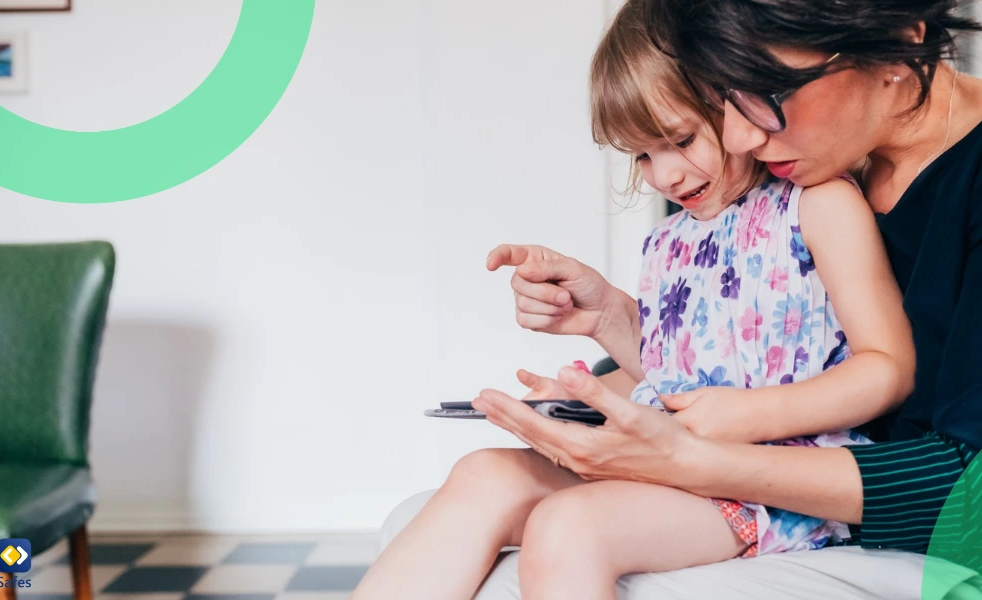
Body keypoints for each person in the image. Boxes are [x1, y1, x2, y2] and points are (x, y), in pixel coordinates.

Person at [462, 1, 982, 599]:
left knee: (536, 560)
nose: (739, 137)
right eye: (722, 100)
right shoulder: (828, 165)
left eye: (766, 93)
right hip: (816, 517)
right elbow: (760, 369)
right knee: (453, 516)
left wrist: (693, 461)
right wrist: (614, 328)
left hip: (981, 561)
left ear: (898, 47)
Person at [351, 1, 914, 598]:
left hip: (770, 487)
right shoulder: (667, 242)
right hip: (668, 465)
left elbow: (887, 371)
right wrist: (582, 402)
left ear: (739, 102)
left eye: (679, 139)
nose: (663, 175)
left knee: (570, 525)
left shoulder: (817, 205)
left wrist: (742, 416)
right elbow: (675, 379)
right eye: (642, 154)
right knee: (481, 473)